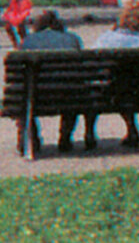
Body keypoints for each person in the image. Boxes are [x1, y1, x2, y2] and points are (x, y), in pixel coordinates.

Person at [20, 9, 90, 153]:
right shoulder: (72, 39)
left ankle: (33, 138)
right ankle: (65, 136)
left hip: (37, 95)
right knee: (72, 87)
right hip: (68, 95)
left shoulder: (28, 41)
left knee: (24, 94)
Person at [95, 6, 139, 148]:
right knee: (127, 85)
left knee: (114, 85)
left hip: (107, 93)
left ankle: (90, 133)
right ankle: (131, 128)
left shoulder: (104, 39)